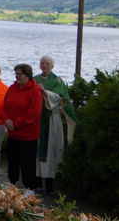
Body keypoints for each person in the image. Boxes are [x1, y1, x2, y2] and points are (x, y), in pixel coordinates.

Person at [35, 55, 77, 195]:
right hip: (38, 120)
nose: (44, 65)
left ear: (52, 66)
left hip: (52, 120)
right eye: (42, 63)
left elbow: (59, 97)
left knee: (51, 151)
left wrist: (44, 92)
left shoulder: (57, 81)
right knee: (37, 151)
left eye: (47, 63)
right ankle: (37, 184)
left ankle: (50, 186)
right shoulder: (35, 79)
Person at [2, 63, 43, 192]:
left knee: (27, 163)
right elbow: (4, 107)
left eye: (20, 74)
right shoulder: (12, 88)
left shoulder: (35, 91)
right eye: (16, 74)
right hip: (13, 134)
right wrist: (7, 120)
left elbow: (33, 113)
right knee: (12, 161)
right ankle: (12, 184)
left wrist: (16, 123)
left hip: (28, 135)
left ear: (28, 76)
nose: (17, 77)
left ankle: (29, 187)